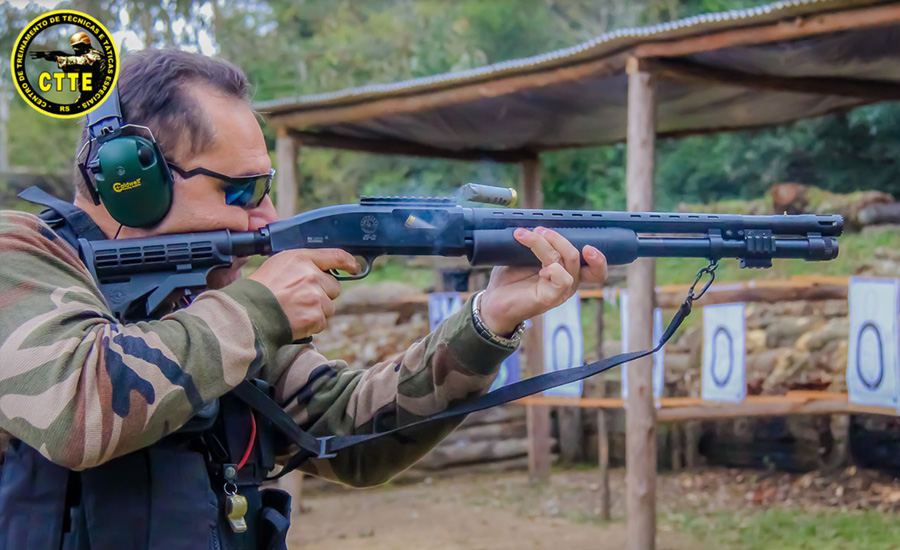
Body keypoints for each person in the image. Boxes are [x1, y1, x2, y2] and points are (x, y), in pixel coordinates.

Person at [0, 49, 607, 550]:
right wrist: (259, 307)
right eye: (240, 190)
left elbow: (350, 432)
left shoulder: (204, 303)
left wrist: (487, 321)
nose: (266, 215)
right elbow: (77, 407)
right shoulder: (18, 255)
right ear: (132, 183)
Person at [30, 31, 106, 102]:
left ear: (85, 43)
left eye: (78, 46)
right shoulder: (85, 57)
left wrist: (57, 58)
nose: (75, 49)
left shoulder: (96, 56)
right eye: (74, 47)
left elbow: (82, 61)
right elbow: (72, 69)